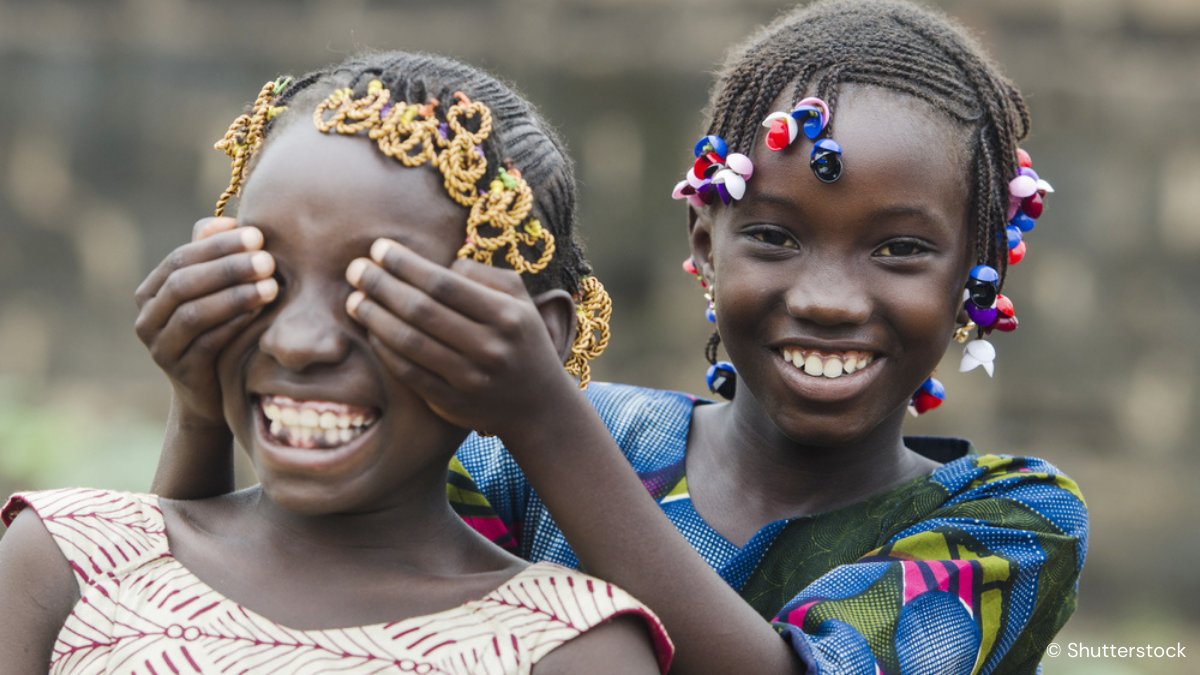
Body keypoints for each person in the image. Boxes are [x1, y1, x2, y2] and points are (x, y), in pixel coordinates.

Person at [146, 1, 1089, 672]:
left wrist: (544, 417)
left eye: (900, 248)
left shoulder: (1012, 523)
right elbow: (262, 603)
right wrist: (200, 412)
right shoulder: (534, 451)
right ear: (704, 245)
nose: (831, 299)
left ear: (981, 275)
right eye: (772, 236)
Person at [0, 52, 675, 674]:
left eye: (374, 292)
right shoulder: (67, 557)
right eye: (267, 274)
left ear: (530, 339)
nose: (298, 342)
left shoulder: (570, 646)